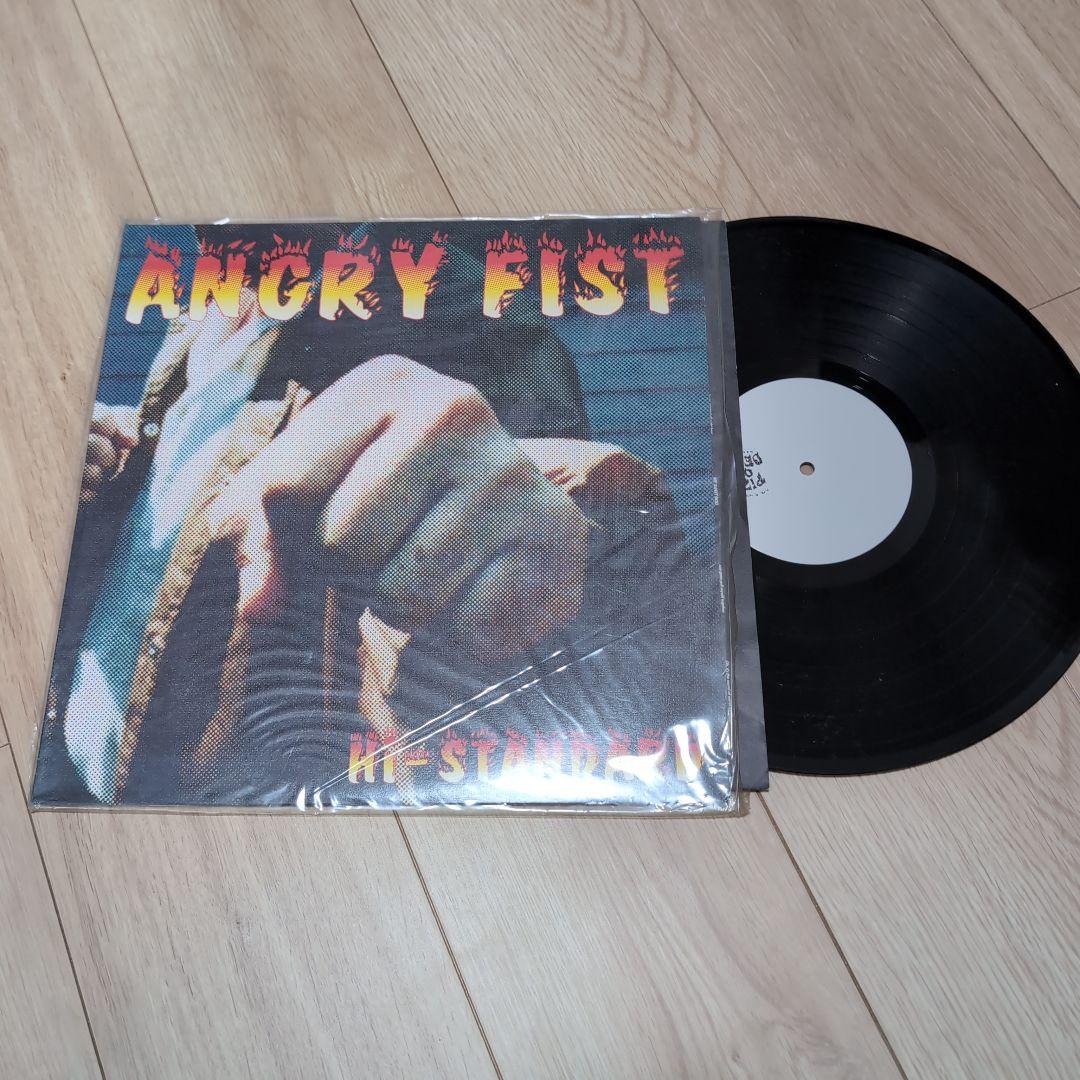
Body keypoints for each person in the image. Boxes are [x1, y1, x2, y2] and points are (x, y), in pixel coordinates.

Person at [37, 225, 718, 808]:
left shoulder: (457, 305)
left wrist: (582, 542)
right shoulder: (206, 313)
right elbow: (182, 504)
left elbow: (547, 537)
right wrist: (112, 470)